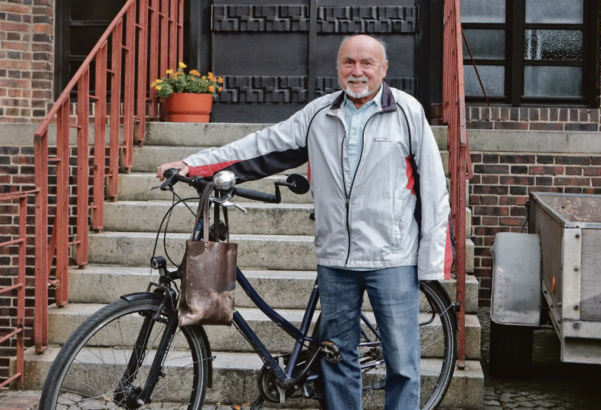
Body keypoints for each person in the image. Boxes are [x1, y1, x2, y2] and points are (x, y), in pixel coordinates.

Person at [157, 34, 452, 410]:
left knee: (402, 366)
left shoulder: (407, 113)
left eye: (366, 63)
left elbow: (433, 187)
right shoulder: (319, 114)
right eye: (349, 62)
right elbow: (261, 145)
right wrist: (194, 165)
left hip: (392, 257)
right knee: (336, 360)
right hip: (335, 260)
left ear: (384, 69)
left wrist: (432, 259)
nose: (357, 71)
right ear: (338, 68)